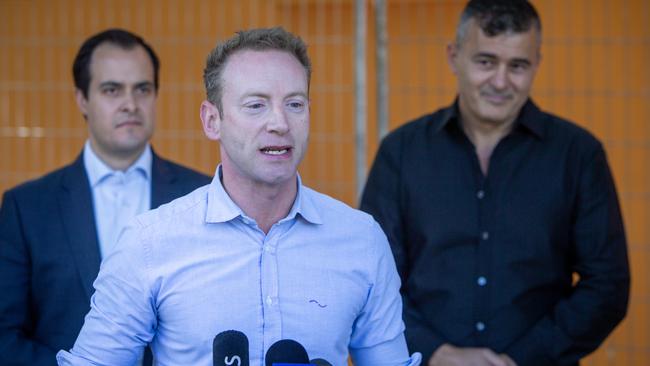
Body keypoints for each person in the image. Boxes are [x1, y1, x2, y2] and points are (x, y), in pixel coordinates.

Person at [55, 27, 422, 366]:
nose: (279, 122)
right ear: (212, 120)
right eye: (256, 105)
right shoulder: (149, 243)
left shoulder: (362, 240)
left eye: (294, 104)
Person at [360, 1, 630, 366]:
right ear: (454, 57)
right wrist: (437, 353)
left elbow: (608, 285)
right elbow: (373, 279)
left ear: (537, 63)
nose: (501, 82)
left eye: (517, 65)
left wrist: (523, 358)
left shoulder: (578, 154)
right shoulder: (401, 152)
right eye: (485, 62)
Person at [0, 28, 210, 365]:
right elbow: (4, 338)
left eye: (142, 89)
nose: (130, 104)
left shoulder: (203, 195)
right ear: (82, 99)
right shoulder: (26, 208)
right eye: (112, 90)